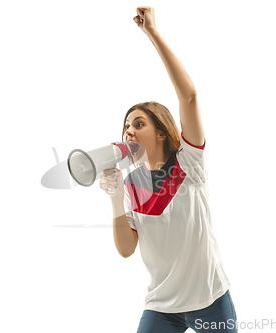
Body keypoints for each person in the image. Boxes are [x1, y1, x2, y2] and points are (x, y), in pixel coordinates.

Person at [99, 7, 238, 333]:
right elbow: (125, 249)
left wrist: (153, 34)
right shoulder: (132, 183)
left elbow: (189, 96)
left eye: (139, 123)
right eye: (126, 126)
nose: (128, 131)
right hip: (161, 307)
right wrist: (116, 197)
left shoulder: (189, 162)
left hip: (210, 300)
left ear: (161, 132)